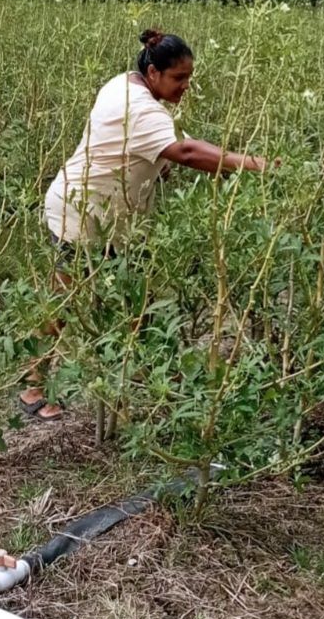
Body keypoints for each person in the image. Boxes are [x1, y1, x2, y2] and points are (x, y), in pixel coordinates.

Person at [20, 29, 270, 420]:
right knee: (65, 305)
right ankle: (35, 386)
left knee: (135, 303)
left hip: (109, 219)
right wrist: (256, 164)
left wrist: (160, 164)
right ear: (153, 72)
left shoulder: (123, 84)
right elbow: (185, 149)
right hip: (82, 216)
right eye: (179, 78)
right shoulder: (140, 107)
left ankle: (135, 386)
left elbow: (152, 145)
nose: (186, 86)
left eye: (189, 77)